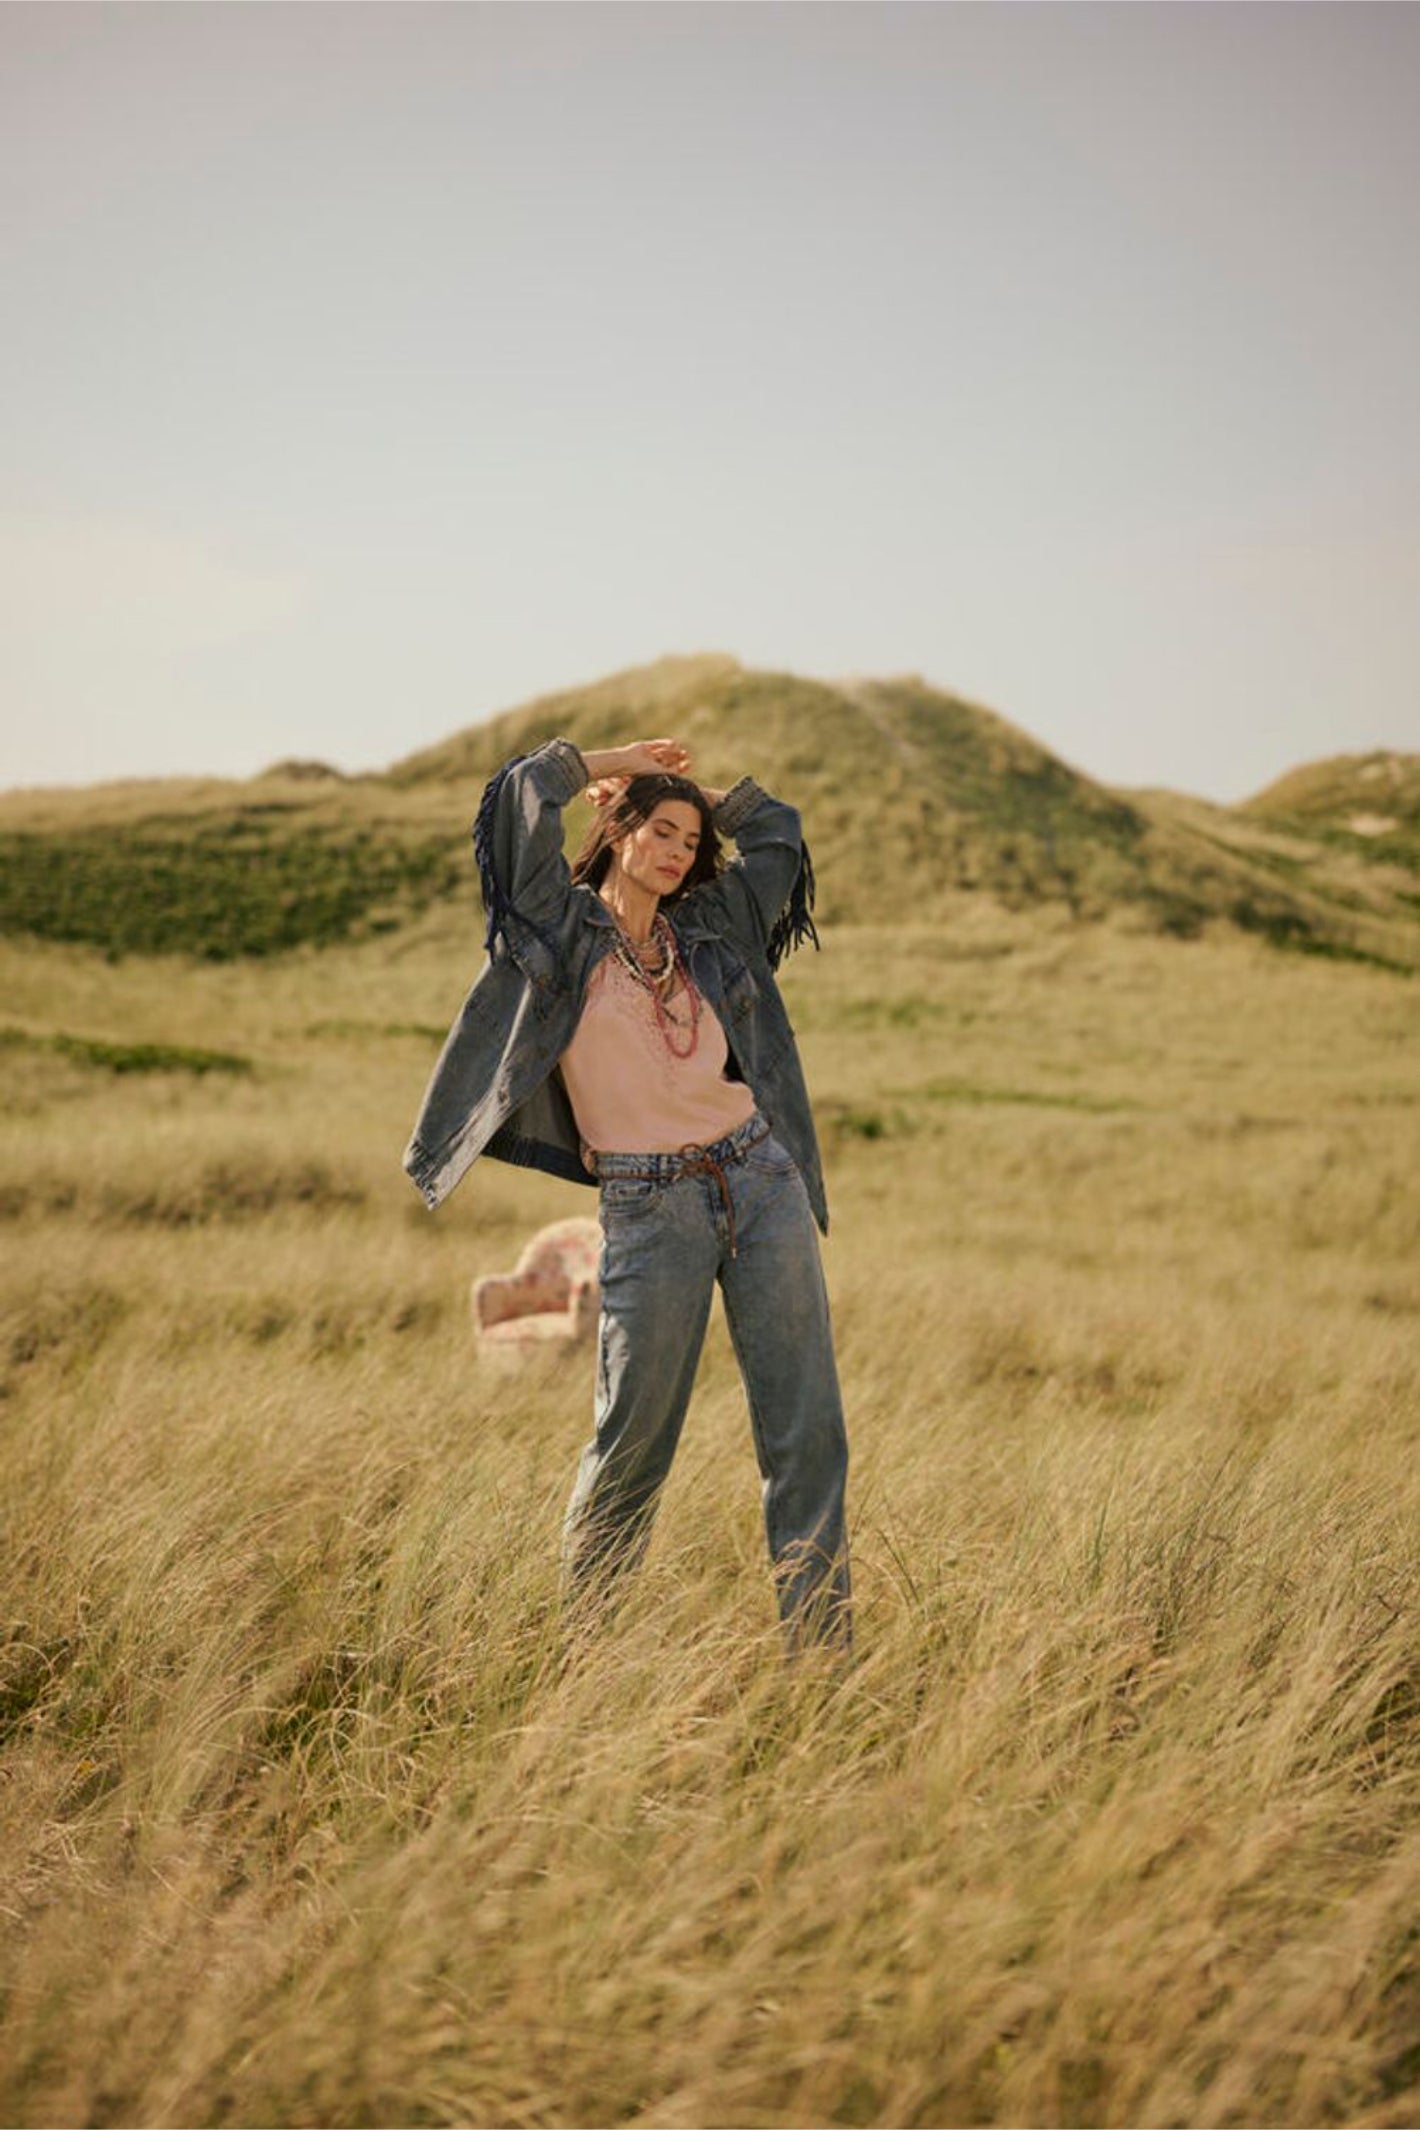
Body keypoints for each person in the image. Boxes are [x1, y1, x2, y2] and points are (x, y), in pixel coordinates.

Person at [404, 734, 851, 1652]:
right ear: (616, 829)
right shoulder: (555, 926)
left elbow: (779, 838)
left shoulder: (709, 929)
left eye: (691, 838)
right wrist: (615, 761)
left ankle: (822, 1662)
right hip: (651, 1206)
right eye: (661, 829)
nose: (680, 850)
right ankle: (589, 1657)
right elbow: (518, 798)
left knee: (807, 1433)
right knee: (632, 1444)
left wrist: (695, 792)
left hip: (757, 1176)